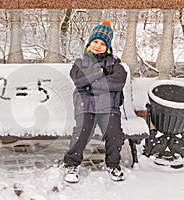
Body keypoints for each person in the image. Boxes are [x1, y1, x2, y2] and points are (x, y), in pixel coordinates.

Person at [63, 20, 127, 183]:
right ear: (90, 43)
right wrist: (101, 76)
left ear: (108, 47)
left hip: (109, 107)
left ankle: (113, 164)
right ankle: (72, 163)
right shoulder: (80, 62)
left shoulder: (115, 63)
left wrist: (93, 83)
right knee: (83, 130)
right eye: (95, 42)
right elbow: (79, 80)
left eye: (102, 43)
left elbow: (119, 80)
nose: (98, 46)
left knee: (114, 132)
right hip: (87, 106)